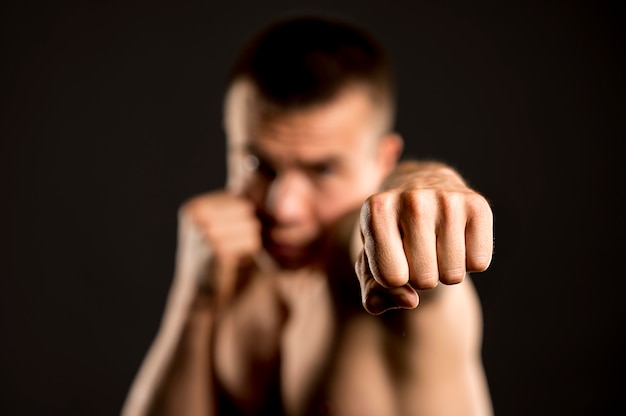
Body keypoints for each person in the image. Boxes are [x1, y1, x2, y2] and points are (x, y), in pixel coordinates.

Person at [122, 14, 494, 416]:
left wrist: (424, 190)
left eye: (323, 170)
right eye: (256, 163)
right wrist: (194, 300)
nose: (282, 209)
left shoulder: (363, 269)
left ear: (382, 159)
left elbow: (381, 237)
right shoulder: (235, 269)